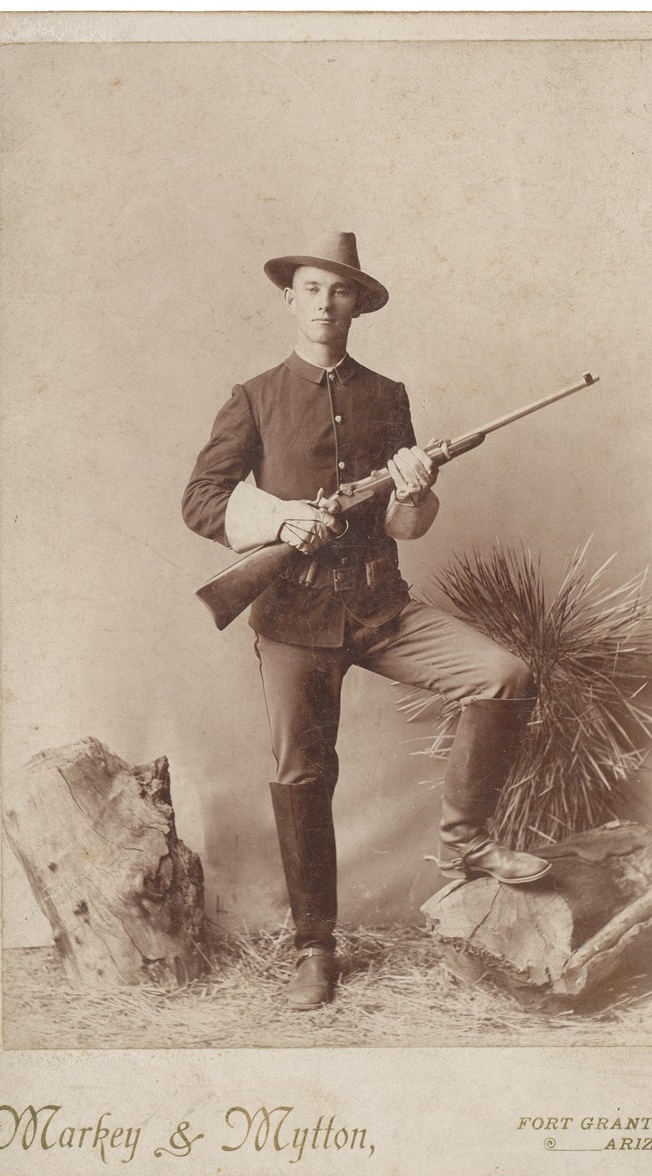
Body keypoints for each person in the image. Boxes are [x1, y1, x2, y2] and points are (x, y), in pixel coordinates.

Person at [182, 231, 550, 1010]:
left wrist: (412, 486)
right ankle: (314, 947)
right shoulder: (254, 395)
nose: (324, 303)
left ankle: (464, 845)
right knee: (301, 775)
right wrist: (281, 523)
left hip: (380, 606)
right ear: (291, 297)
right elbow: (202, 501)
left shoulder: (388, 396)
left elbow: (406, 525)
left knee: (502, 677)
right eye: (311, 288)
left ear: (358, 305)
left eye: (339, 291)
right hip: (291, 617)